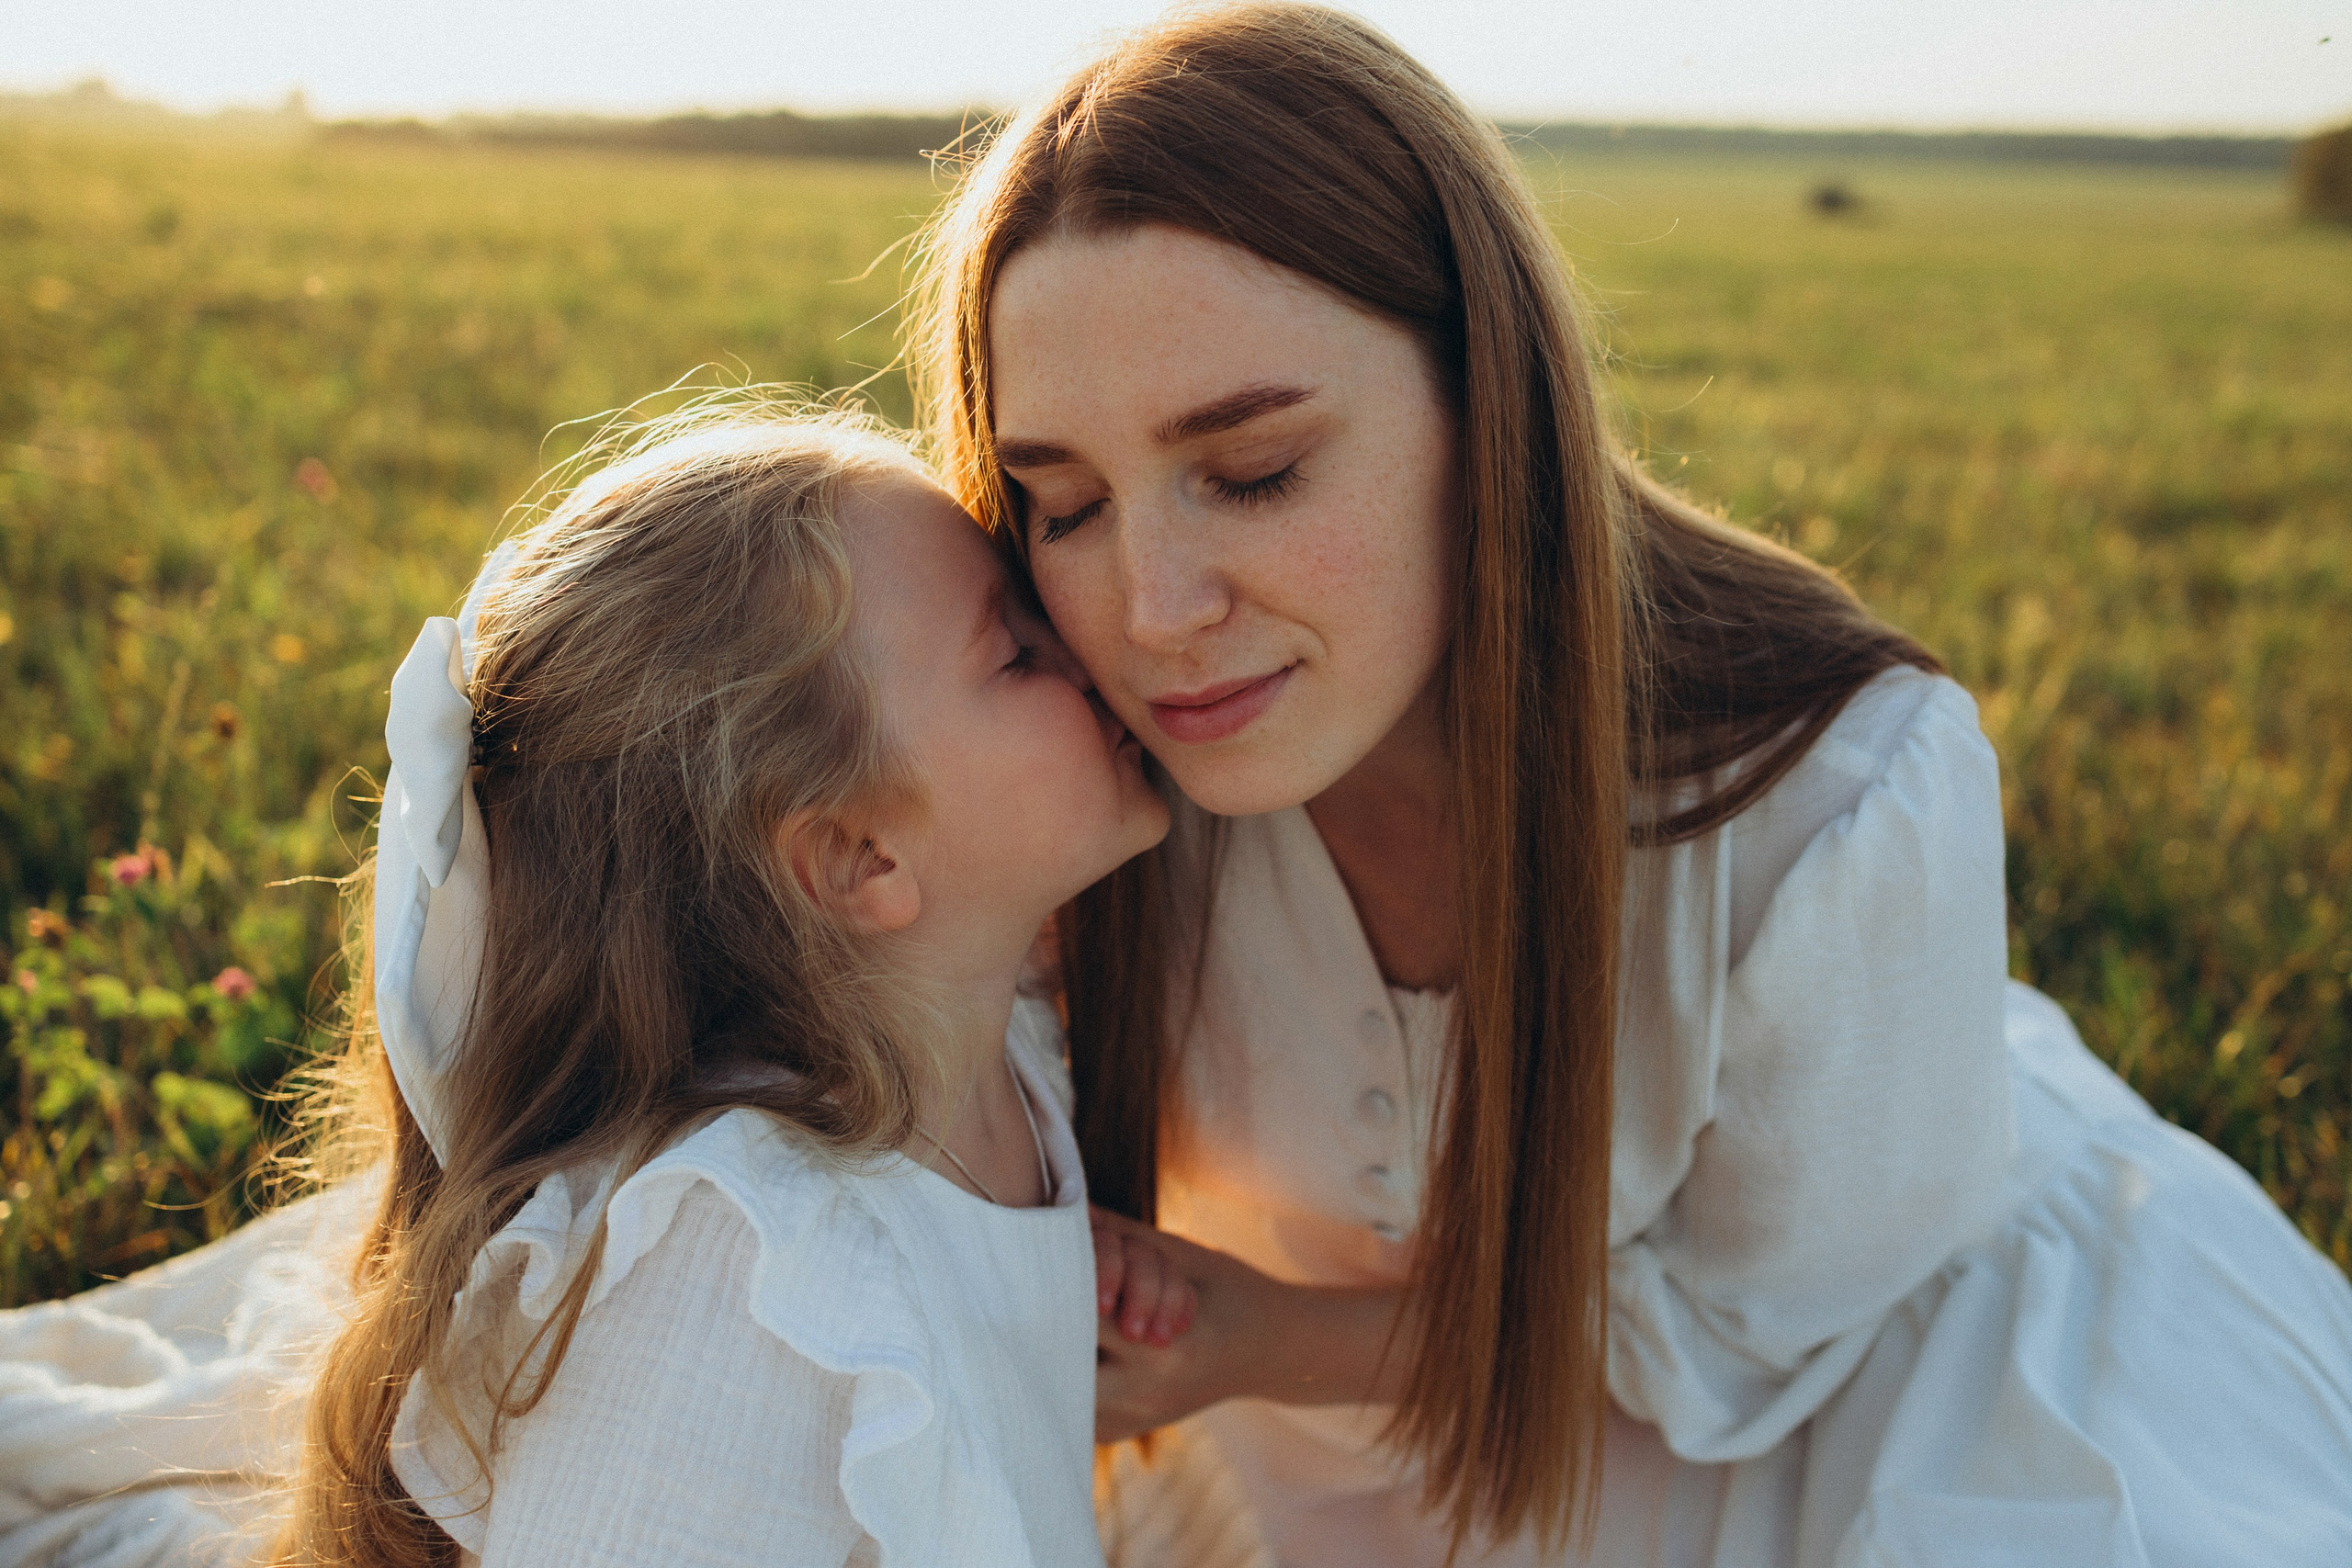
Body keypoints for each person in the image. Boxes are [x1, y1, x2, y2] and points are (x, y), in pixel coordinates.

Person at [912, 6, 2352, 1564]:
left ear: (1491, 405)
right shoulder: (1083, 775)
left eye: (1255, 473)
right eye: (1064, 504)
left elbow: (1755, 1342)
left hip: (1878, 1389)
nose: (1154, 609)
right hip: (1324, 1426)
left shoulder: (1834, 797)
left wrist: (1266, 1341)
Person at [0, 401, 1184, 1567]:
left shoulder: (995, 1035)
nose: (1088, 642)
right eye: (1017, 651)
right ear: (858, 857)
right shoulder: (740, 1277)